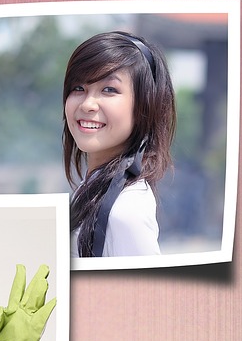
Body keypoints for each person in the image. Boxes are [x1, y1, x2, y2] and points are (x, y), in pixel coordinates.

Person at [63, 31, 175, 257]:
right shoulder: (93, 190)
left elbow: (147, 292)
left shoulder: (125, 210)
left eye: (109, 90)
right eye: (78, 88)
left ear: (145, 106)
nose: (88, 104)